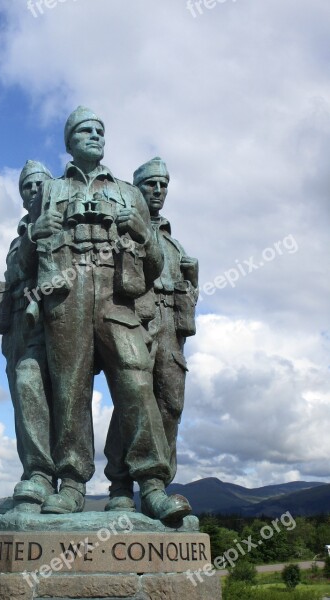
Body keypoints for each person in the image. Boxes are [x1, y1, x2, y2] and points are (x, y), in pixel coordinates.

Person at [18, 107, 191, 522]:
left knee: (136, 382)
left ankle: (150, 482)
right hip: (66, 295)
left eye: (100, 130)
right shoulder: (51, 190)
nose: (95, 135)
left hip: (118, 297)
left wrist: (145, 235)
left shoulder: (131, 194)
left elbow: (151, 269)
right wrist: (34, 238)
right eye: (84, 130)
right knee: (69, 388)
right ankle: (73, 481)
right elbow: (28, 263)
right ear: (69, 141)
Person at [104, 157, 198, 514]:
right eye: (150, 185)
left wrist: (193, 284)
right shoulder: (123, 228)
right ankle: (121, 485)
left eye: (163, 185)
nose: (158, 191)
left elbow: (189, 292)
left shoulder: (175, 247)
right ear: (136, 189)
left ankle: (160, 487)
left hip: (172, 330)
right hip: (137, 323)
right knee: (132, 401)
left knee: (170, 406)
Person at [0, 160, 57, 509]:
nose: (33, 191)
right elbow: (16, 270)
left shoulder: (59, 224)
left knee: (36, 386)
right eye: (26, 187)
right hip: (17, 324)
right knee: (23, 403)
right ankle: (34, 476)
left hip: (51, 321)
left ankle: (46, 474)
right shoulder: (20, 239)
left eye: (38, 185)